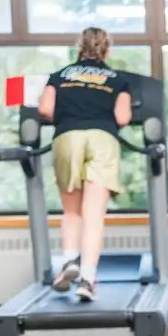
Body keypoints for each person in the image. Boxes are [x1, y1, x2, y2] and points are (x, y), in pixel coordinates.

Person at [36, 27, 133, 302]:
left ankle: (68, 262)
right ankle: (88, 279)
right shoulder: (117, 79)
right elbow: (123, 117)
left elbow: (44, 110)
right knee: (94, 216)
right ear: (107, 50)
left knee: (71, 212)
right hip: (102, 139)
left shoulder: (60, 75)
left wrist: (70, 112)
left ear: (79, 47)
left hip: (68, 136)